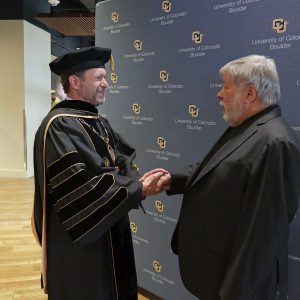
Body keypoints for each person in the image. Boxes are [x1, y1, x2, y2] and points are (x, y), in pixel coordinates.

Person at [141, 55, 300, 300]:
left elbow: (263, 233)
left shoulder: (275, 142)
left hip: (238, 286)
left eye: (225, 86)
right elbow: (218, 169)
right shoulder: (249, 127)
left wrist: (233, 293)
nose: (219, 94)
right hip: (216, 274)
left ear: (249, 94)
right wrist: (173, 179)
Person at [32, 46, 163, 300]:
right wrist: (136, 188)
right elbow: (78, 185)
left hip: (108, 225)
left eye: (106, 77)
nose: (106, 84)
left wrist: (135, 178)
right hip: (82, 238)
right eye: (99, 78)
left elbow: (121, 158)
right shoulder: (60, 125)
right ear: (74, 81)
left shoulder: (96, 120)